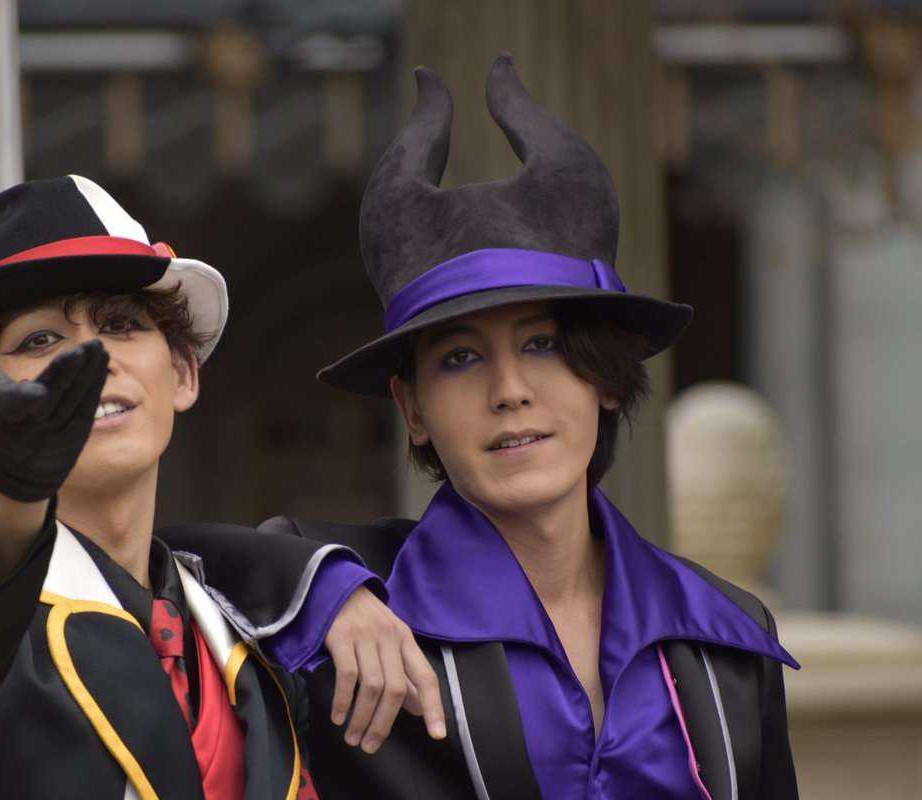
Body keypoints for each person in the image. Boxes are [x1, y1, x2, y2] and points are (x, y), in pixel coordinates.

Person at [171, 55, 800, 799]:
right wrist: (319, 589)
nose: (509, 393)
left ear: (605, 376)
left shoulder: (726, 633)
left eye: (544, 344)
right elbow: (147, 561)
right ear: (412, 409)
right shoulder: (347, 606)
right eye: (461, 358)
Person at [0, 175, 442, 799]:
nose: (93, 359)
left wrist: (320, 584)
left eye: (121, 324)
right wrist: (10, 489)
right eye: (39, 340)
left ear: (182, 373)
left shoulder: (251, 640)